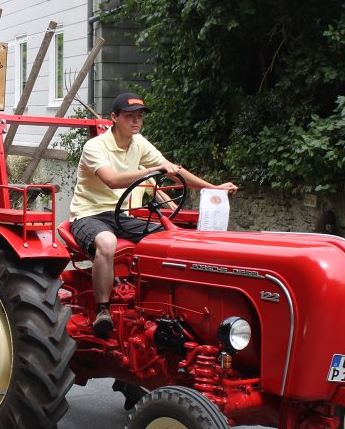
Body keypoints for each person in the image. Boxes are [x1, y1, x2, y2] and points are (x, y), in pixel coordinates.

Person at [69, 93, 238, 338]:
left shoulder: (138, 143)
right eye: (129, 116)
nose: (136, 121)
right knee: (107, 243)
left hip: (121, 216)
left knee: (170, 240)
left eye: (139, 117)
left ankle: (163, 306)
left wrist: (212, 188)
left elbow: (172, 170)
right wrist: (152, 169)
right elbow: (112, 180)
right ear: (114, 118)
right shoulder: (95, 146)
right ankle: (103, 311)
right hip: (88, 215)